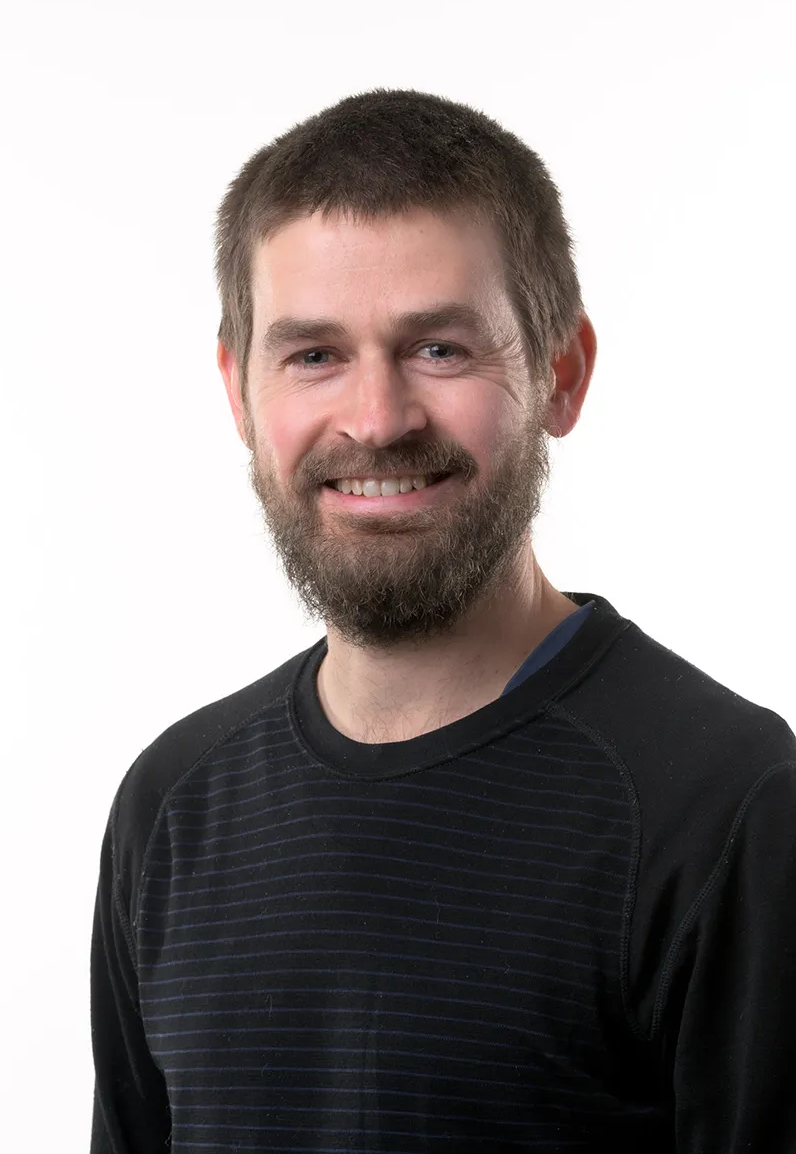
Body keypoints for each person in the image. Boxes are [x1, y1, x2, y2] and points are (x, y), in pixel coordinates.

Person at [89, 88, 796, 1154]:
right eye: (314, 355)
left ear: (560, 373)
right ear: (239, 391)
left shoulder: (727, 803)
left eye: (439, 349)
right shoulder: (171, 805)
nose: (376, 421)